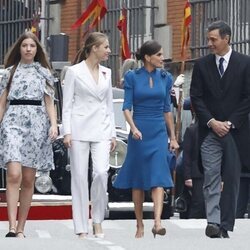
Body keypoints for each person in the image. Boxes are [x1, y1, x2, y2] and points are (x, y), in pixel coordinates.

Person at [113, 40, 180, 238]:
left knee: (158, 176)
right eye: (159, 55)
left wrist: (173, 138)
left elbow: (167, 109)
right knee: (139, 180)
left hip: (158, 131)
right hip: (139, 131)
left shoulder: (166, 78)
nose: (162, 58)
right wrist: (133, 128)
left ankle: (157, 223)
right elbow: (126, 107)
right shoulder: (132, 77)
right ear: (147, 57)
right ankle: (140, 223)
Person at [190, 20, 250, 238]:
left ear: (227, 38)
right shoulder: (202, 64)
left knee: (232, 178)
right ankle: (213, 222)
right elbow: (196, 96)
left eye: (213, 39)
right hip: (209, 132)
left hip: (236, 132)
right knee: (211, 176)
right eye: (208, 39)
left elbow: (247, 97)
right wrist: (212, 122)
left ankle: (226, 223)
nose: (209, 43)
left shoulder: (245, 63)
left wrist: (230, 122)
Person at [0, 31, 57, 238]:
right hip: (13, 121)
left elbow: (49, 102)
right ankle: (12, 226)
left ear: (37, 49)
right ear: (19, 48)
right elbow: (2, 102)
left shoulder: (43, 72)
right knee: (13, 173)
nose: (28, 49)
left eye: (32, 46)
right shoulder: (9, 72)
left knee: (27, 178)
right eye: (24, 45)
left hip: (36, 124)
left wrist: (53, 124)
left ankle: (22, 227)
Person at [62, 32, 116, 239]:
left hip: (102, 129)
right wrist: (66, 132)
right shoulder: (74, 72)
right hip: (78, 129)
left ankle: (98, 220)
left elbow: (109, 105)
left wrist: (111, 133)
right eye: (106, 47)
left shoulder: (107, 73)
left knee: (102, 173)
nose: (108, 51)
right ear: (94, 48)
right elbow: (67, 105)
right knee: (79, 177)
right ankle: (81, 225)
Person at [183, 98, 205, 219]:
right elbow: (187, 155)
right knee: (198, 203)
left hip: (212, 171)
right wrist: (188, 176)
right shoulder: (191, 130)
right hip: (196, 173)